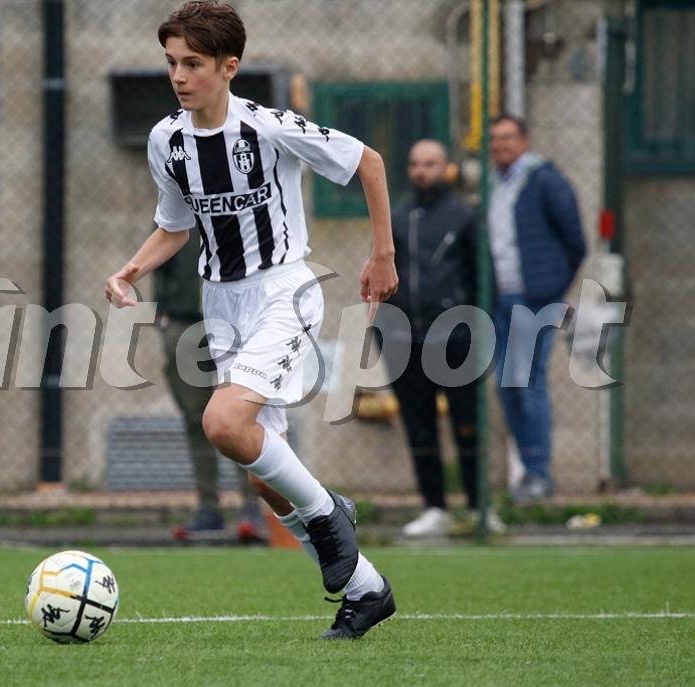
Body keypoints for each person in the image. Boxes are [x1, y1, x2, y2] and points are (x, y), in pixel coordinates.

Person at [105, 0, 398, 639]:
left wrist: (382, 255)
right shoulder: (166, 141)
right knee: (262, 474)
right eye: (171, 63)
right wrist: (131, 269)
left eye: (193, 64)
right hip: (222, 304)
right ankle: (366, 589)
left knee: (222, 422)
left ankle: (329, 513)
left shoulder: (267, 127)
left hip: (283, 292)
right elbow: (174, 225)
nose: (178, 76)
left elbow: (369, 162)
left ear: (228, 67)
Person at [381, 140, 503, 536]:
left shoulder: (465, 217)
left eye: (430, 164)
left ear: (446, 167)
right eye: (415, 164)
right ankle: (434, 507)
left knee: (468, 425)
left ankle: (479, 508)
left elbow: (485, 279)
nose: (422, 171)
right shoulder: (397, 218)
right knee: (420, 427)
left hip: (456, 340)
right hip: (405, 340)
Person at [488, 115, 586, 504]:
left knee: (529, 385)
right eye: (495, 139)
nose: (501, 145)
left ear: (525, 140)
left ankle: (539, 474)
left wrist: (551, 286)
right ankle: (528, 472)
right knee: (506, 385)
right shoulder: (493, 184)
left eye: (509, 138)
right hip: (500, 299)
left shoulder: (545, 180)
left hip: (535, 299)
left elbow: (575, 240)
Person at [154, 230, 265, 542]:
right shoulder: (179, 204)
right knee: (196, 418)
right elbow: (160, 252)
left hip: (236, 321)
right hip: (184, 321)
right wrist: (162, 312)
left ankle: (253, 506)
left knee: (241, 415)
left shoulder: (239, 203)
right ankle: (208, 509)